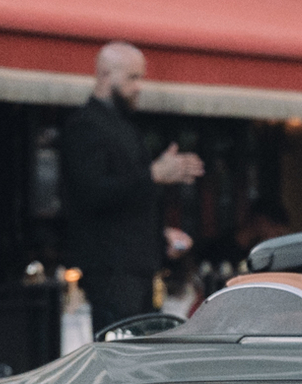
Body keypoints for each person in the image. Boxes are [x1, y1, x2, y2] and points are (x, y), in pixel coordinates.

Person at [59, 41, 201, 330]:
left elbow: (126, 202)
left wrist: (160, 236)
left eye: (141, 78)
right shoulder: (86, 126)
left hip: (138, 267)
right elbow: (93, 193)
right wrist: (153, 175)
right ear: (106, 75)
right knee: (121, 349)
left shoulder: (124, 126)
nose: (139, 87)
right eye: (132, 78)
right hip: (110, 269)